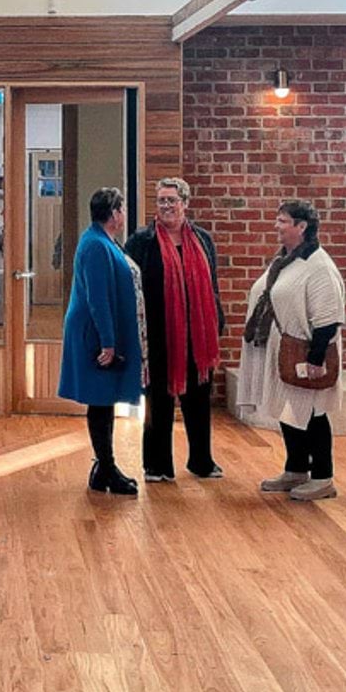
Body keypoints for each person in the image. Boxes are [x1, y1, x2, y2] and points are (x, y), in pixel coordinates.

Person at [236, 197, 346, 500]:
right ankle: (296, 468)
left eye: (283, 221)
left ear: (302, 226)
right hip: (284, 348)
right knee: (289, 409)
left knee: (313, 412)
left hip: (308, 351)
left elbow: (328, 317)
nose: (277, 226)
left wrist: (315, 358)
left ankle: (323, 477)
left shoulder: (319, 266)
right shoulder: (288, 260)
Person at [125, 175, 225, 483]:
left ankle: (201, 461)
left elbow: (213, 285)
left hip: (198, 334)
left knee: (198, 399)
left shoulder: (203, 239)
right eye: (161, 200)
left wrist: (217, 322)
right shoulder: (141, 242)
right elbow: (132, 290)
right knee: (159, 401)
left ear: (185, 203)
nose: (166, 206)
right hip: (158, 334)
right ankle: (156, 465)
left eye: (172, 200)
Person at [57, 186, 144, 495]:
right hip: (94, 334)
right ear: (115, 213)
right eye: (121, 210)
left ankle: (104, 469)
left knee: (103, 400)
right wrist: (108, 343)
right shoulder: (95, 245)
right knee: (100, 399)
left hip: (99, 331)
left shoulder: (102, 240)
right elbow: (97, 298)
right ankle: (107, 468)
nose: (123, 216)